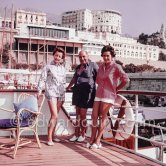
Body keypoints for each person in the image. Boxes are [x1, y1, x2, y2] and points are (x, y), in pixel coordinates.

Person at [88, 45, 130, 149]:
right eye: (104, 55)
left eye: (107, 56)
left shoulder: (116, 67)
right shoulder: (101, 67)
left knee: (103, 118)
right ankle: (92, 138)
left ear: (112, 56)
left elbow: (126, 80)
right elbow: (98, 80)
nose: (105, 57)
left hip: (108, 95)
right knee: (94, 117)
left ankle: (97, 141)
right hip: (98, 94)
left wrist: (116, 89)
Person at [66, 50, 98, 142]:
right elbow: (74, 78)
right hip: (77, 92)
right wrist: (68, 87)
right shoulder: (78, 67)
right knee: (77, 115)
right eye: (80, 57)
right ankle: (76, 134)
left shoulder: (93, 65)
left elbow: (99, 77)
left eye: (84, 56)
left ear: (87, 56)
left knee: (83, 115)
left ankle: (83, 134)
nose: (82, 58)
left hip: (87, 93)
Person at [37, 47, 66, 146]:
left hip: (61, 94)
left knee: (55, 116)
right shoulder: (48, 67)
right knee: (54, 115)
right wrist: (39, 90)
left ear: (62, 58)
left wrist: (64, 93)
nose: (57, 57)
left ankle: (53, 136)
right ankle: (49, 138)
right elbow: (42, 79)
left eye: (60, 56)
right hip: (51, 93)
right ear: (53, 55)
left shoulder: (63, 68)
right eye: (56, 55)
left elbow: (63, 82)